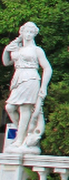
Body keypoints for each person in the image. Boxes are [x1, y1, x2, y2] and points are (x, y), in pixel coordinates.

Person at [3, 22, 52, 152]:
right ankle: (22, 133)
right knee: (10, 107)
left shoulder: (37, 50)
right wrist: (7, 49)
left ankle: (20, 140)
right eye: (27, 32)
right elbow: (6, 62)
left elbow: (47, 68)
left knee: (25, 109)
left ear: (34, 34)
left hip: (31, 78)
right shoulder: (17, 49)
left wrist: (44, 87)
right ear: (22, 32)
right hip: (18, 78)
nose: (29, 34)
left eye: (31, 32)